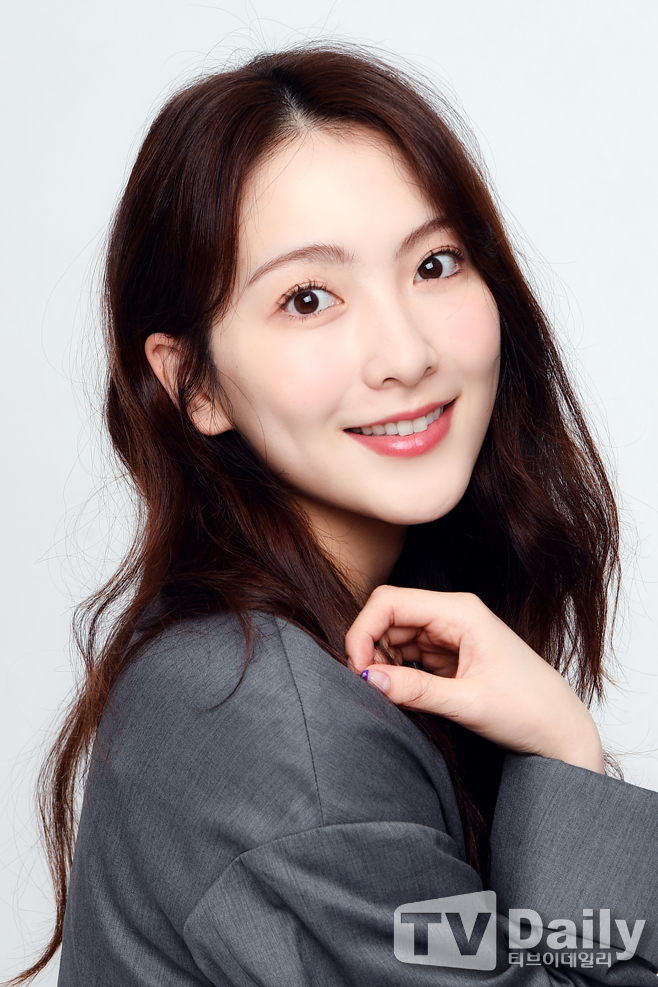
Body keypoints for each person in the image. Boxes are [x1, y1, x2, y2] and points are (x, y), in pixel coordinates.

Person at [10, 44, 658, 987]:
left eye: (435, 263)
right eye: (308, 298)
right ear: (193, 384)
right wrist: (567, 755)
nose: (405, 353)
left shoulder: (263, 659)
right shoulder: (277, 731)